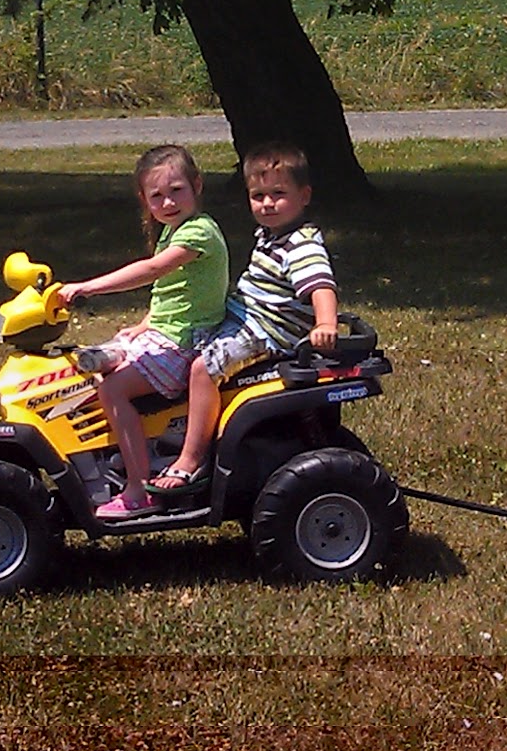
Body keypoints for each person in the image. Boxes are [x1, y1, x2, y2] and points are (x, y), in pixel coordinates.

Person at [148, 143, 339, 497]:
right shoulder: (271, 235)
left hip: (269, 332)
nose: (267, 204)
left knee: (203, 369)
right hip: (246, 317)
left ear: (304, 196)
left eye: (278, 194)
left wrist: (326, 324)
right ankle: (176, 429)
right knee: (179, 348)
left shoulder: (301, 244)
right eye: (258, 196)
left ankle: (191, 459)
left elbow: (321, 285)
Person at [57, 144, 228, 520]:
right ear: (144, 200)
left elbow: (152, 272)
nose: (168, 202)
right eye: (157, 196)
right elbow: (175, 291)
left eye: (176, 191)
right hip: (164, 332)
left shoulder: (199, 232)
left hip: (186, 343)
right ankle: (109, 453)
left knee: (112, 389)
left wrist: (87, 287)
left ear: (197, 185)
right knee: (82, 368)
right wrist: (144, 324)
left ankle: (138, 489)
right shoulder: (173, 230)